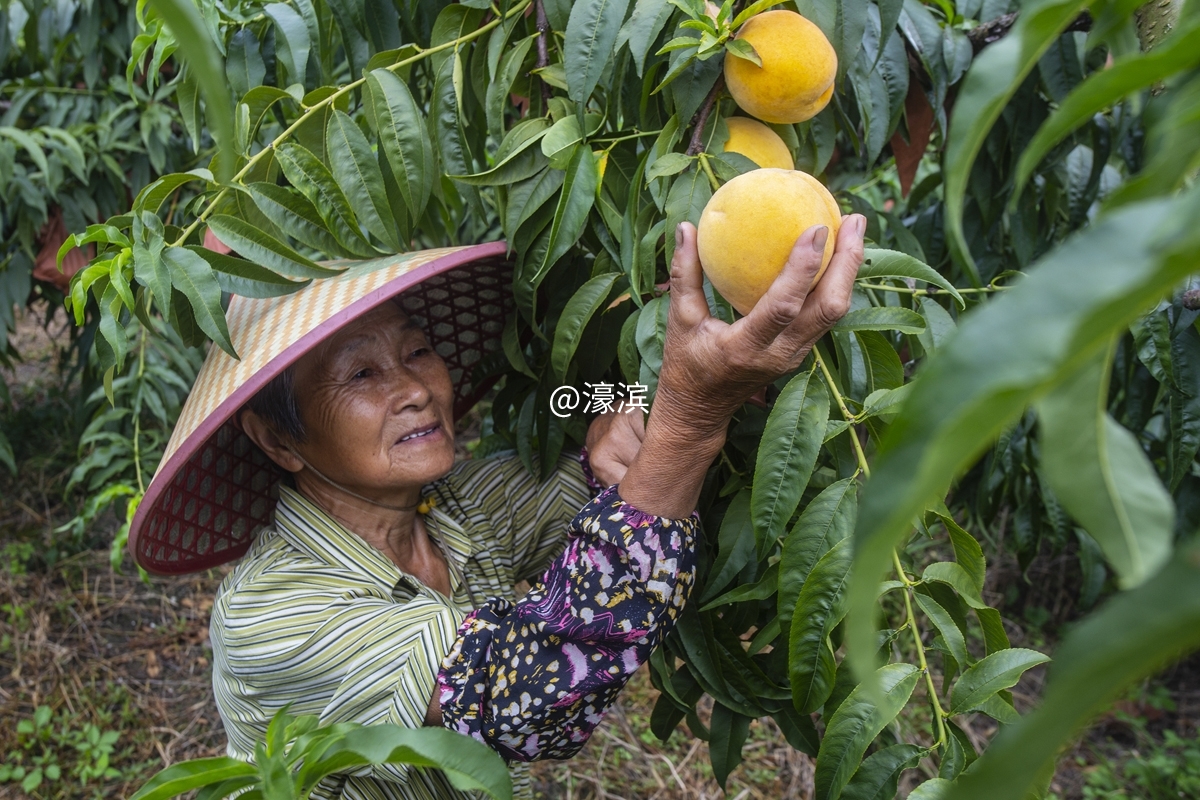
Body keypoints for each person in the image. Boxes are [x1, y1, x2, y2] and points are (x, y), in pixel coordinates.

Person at [127, 217, 866, 799]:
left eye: (417, 352)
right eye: (360, 374)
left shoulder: (454, 506)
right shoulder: (273, 616)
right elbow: (532, 688)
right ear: (279, 440)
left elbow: (612, 477)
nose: (414, 389)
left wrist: (640, 403)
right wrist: (689, 414)